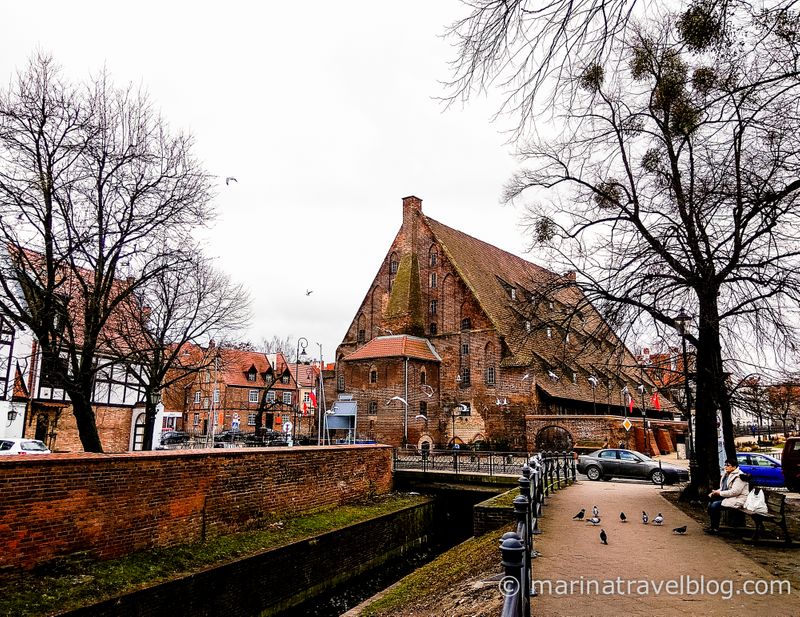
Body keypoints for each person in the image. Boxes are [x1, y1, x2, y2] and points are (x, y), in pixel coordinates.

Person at [705, 459, 749, 533]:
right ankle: (713, 526)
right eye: (725, 465)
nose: (725, 467)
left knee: (715, 505)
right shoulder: (726, 474)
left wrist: (720, 493)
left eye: (728, 465)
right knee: (710, 503)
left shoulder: (739, 476)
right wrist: (716, 492)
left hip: (737, 499)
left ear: (734, 467)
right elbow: (724, 488)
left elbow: (735, 492)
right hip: (729, 497)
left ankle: (715, 528)